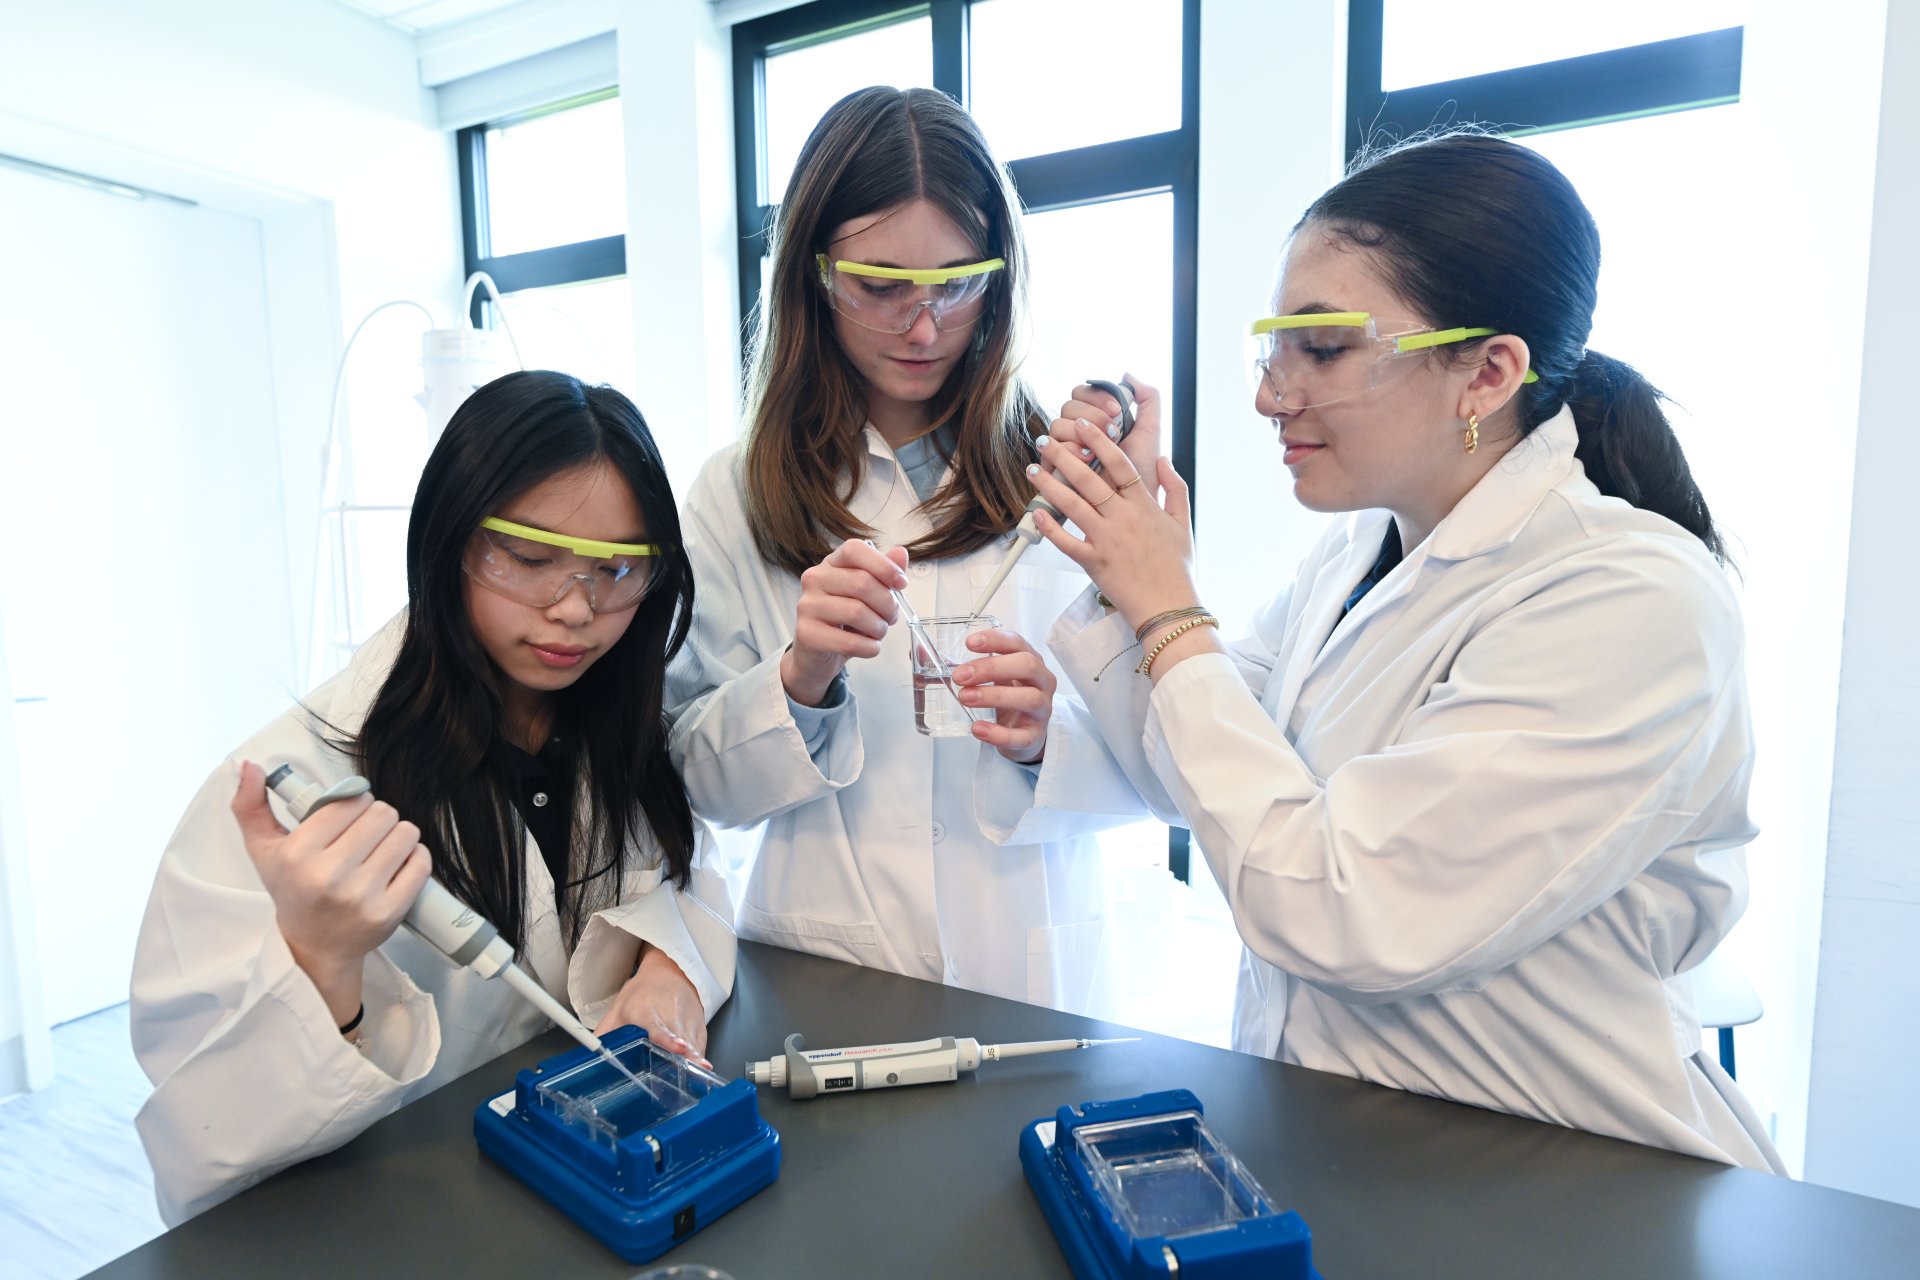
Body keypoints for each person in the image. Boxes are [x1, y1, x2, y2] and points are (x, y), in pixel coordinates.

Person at [1025, 131, 1784, 1170]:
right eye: (1274, 346)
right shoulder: (1355, 553)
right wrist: (1126, 573)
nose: (1268, 393)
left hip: (1562, 1176)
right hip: (1351, 1142)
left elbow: (1344, 907)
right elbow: (1194, 763)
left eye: (1323, 349)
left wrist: (1167, 603)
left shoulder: (1632, 596)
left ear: (1488, 371)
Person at [131, 371, 737, 1222]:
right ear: (450, 539)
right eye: (529, 560)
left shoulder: (613, 726)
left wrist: (668, 965)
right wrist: (321, 964)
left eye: (617, 569)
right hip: (383, 1226)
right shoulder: (292, 784)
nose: (576, 609)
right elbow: (199, 1125)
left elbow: (687, 871)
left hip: (569, 1192)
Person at [666, 86, 1138, 1011]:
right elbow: (689, 779)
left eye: (957, 284)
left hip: (1032, 970)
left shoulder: (1074, 470)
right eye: (881, 287)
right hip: (826, 968)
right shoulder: (735, 493)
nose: (923, 328)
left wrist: (1051, 742)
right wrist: (798, 679)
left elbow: (1171, 761)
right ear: (813, 274)